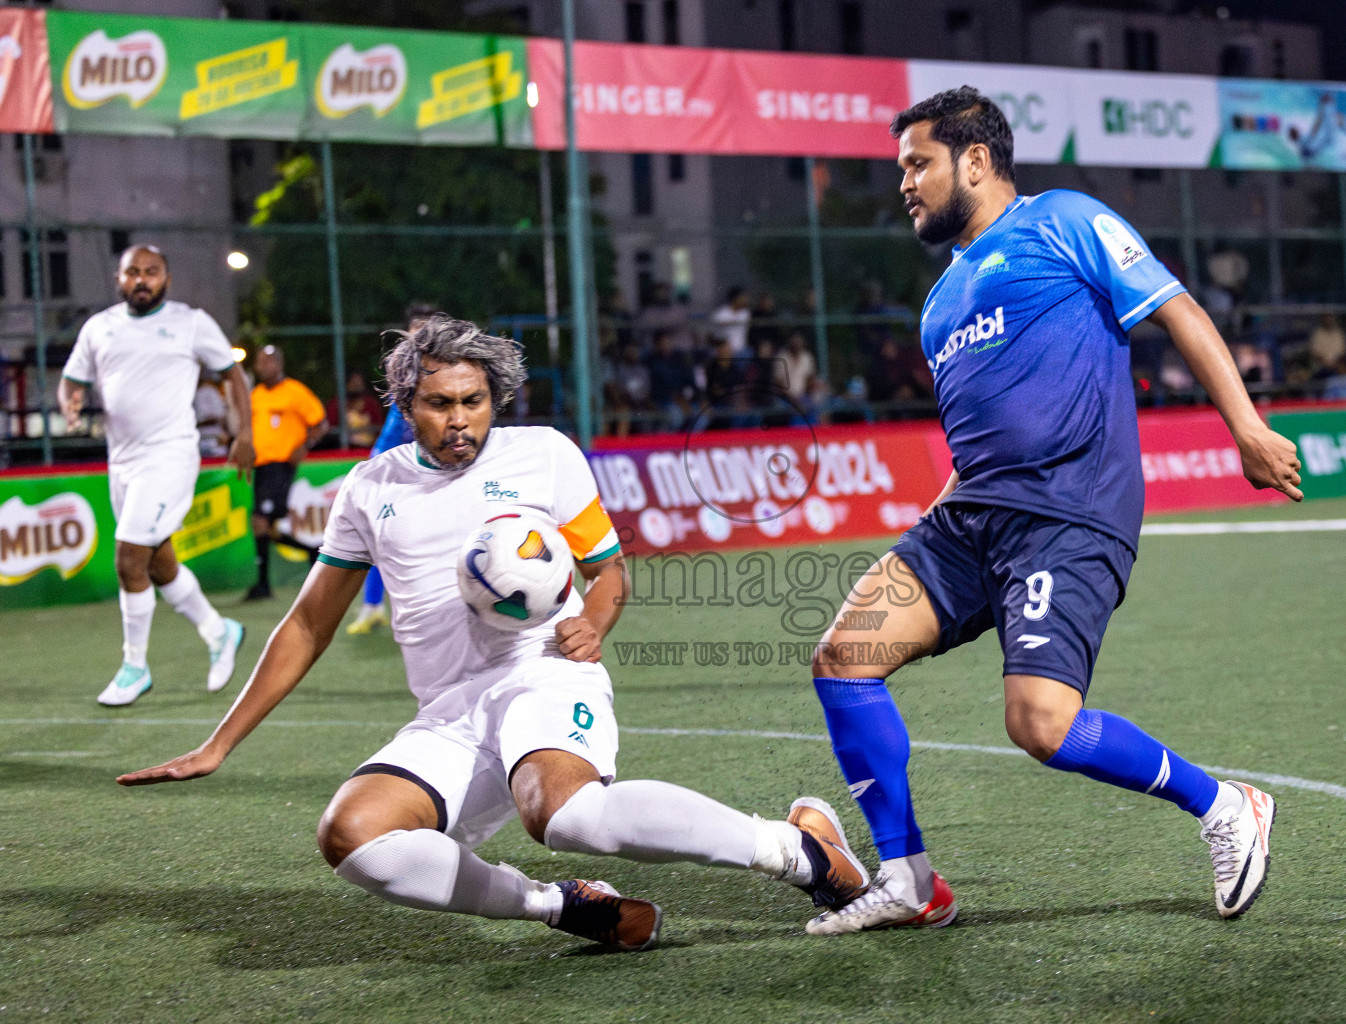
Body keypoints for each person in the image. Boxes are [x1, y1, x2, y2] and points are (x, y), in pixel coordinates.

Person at [117, 315, 871, 952]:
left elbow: (609, 573)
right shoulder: (370, 488)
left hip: (543, 674)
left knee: (566, 814)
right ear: (406, 404)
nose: (460, 421)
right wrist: (219, 744)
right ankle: (562, 906)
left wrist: (595, 620)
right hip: (449, 712)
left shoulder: (542, 454)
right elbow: (309, 623)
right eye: (439, 404)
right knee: (351, 837)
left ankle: (796, 851)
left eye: (474, 401)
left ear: (494, 397)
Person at [802, 87, 1304, 936]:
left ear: (975, 160)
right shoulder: (938, 304)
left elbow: (1176, 307)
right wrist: (934, 526)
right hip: (970, 520)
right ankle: (909, 879)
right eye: (901, 169)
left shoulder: (1064, 220)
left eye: (918, 163)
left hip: (1068, 515)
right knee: (843, 657)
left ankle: (1226, 806)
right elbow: (976, 442)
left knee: (1040, 725)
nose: (905, 184)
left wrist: (1245, 427)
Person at [58, 244, 252, 707]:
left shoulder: (191, 322)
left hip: (170, 457)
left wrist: (244, 433)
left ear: (166, 277)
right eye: (132, 272)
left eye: (151, 272)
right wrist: (70, 398)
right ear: (118, 278)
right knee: (158, 562)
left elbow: (233, 376)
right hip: (121, 461)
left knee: (129, 559)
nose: (141, 279)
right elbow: (73, 379)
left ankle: (134, 667)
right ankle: (218, 630)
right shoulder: (99, 328)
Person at [348, 304, 433, 636]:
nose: (418, 335)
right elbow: (399, 425)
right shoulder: (404, 371)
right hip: (399, 468)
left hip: (435, 467)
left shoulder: (450, 368)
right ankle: (372, 606)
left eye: (424, 328)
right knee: (382, 538)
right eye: (414, 329)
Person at [246, 345, 328, 601]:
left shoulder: (294, 391)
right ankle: (312, 550)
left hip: (280, 465)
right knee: (267, 527)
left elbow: (320, 423)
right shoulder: (256, 394)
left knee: (260, 520)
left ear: (279, 364)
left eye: (267, 361)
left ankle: (263, 585)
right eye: (259, 362)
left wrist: (305, 445)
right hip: (261, 465)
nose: (262, 366)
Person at [710, 286, 752, 354]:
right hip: (724, 351)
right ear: (736, 298)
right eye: (743, 297)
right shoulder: (722, 313)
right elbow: (713, 333)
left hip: (742, 351)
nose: (746, 299)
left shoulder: (745, 313)